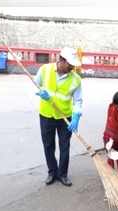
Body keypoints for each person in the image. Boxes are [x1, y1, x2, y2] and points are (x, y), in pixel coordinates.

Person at [35, 47, 82, 186]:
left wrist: (76, 116)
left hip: (65, 118)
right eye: (70, 64)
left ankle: (62, 174)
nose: (72, 67)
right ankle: (52, 172)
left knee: (64, 146)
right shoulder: (45, 70)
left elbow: (78, 100)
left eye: (74, 65)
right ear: (61, 60)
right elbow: (36, 83)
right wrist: (42, 92)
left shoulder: (76, 79)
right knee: (48, 145)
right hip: (46, 115)